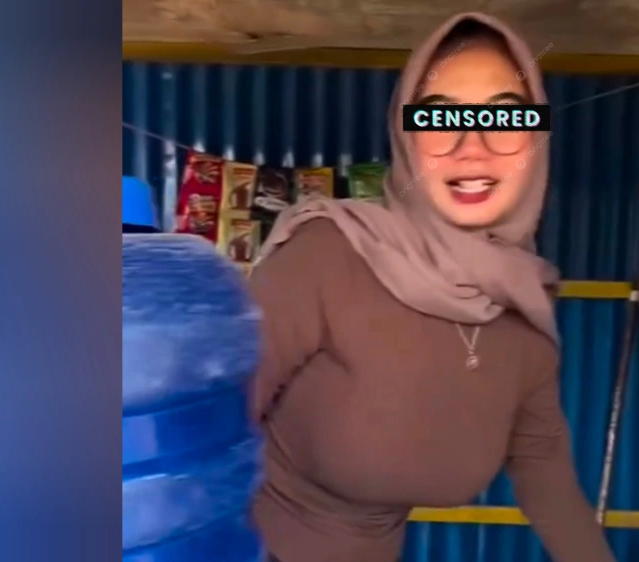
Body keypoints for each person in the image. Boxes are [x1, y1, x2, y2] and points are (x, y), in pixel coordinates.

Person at [248, 12, 617, 562]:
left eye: (505, 117)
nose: (473, 147)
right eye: (440, 117)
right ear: (407, 135)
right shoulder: (327, 255)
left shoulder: (522, 303)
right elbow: (201, 429)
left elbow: (543, 466)